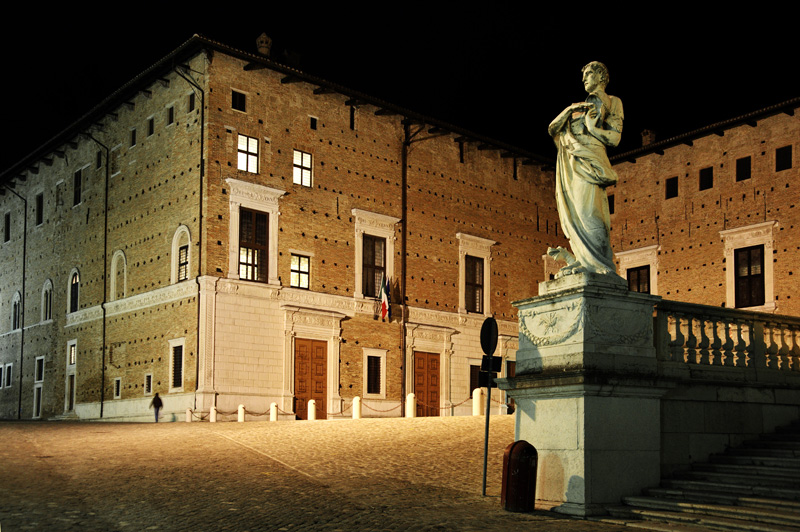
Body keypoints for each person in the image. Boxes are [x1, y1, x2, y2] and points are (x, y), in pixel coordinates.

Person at [547, 61, 623, 277]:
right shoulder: (577, 108)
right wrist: (570, 109)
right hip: (573, 161)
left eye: (589, 74)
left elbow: (615, 139)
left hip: (592, 159)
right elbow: (552, 128)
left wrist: (592, 129)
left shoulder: (613, 102)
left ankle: (599, 265)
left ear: (601, 76)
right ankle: (583, 260)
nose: (584, 79)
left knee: (590, 212)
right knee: (577, 212)